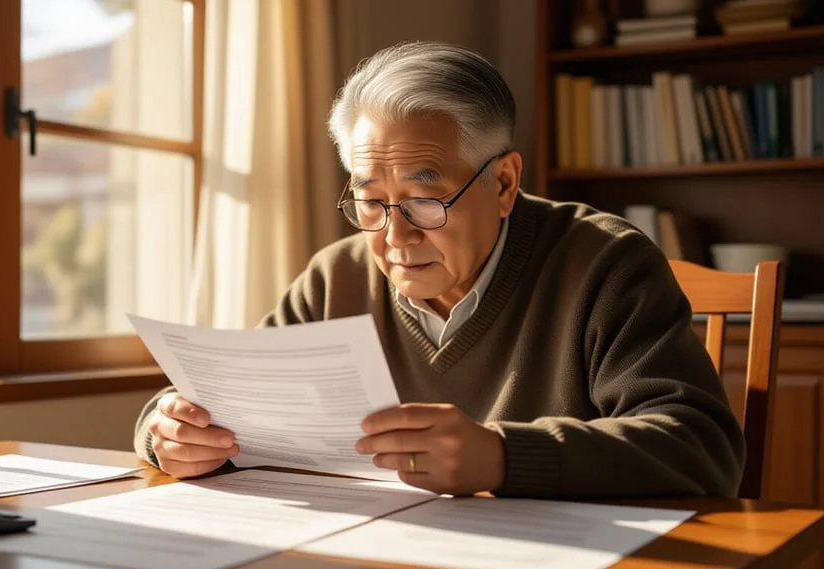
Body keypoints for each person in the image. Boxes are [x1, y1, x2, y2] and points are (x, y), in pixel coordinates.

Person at [133, 41, 745, 499]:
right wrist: (169, 433)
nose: (395, 237)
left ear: (503, 183)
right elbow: (231, 403)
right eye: (371, 200)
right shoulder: (335, 277)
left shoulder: (604, 262)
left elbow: (703, 448)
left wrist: (505, 455)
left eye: (426, 200)